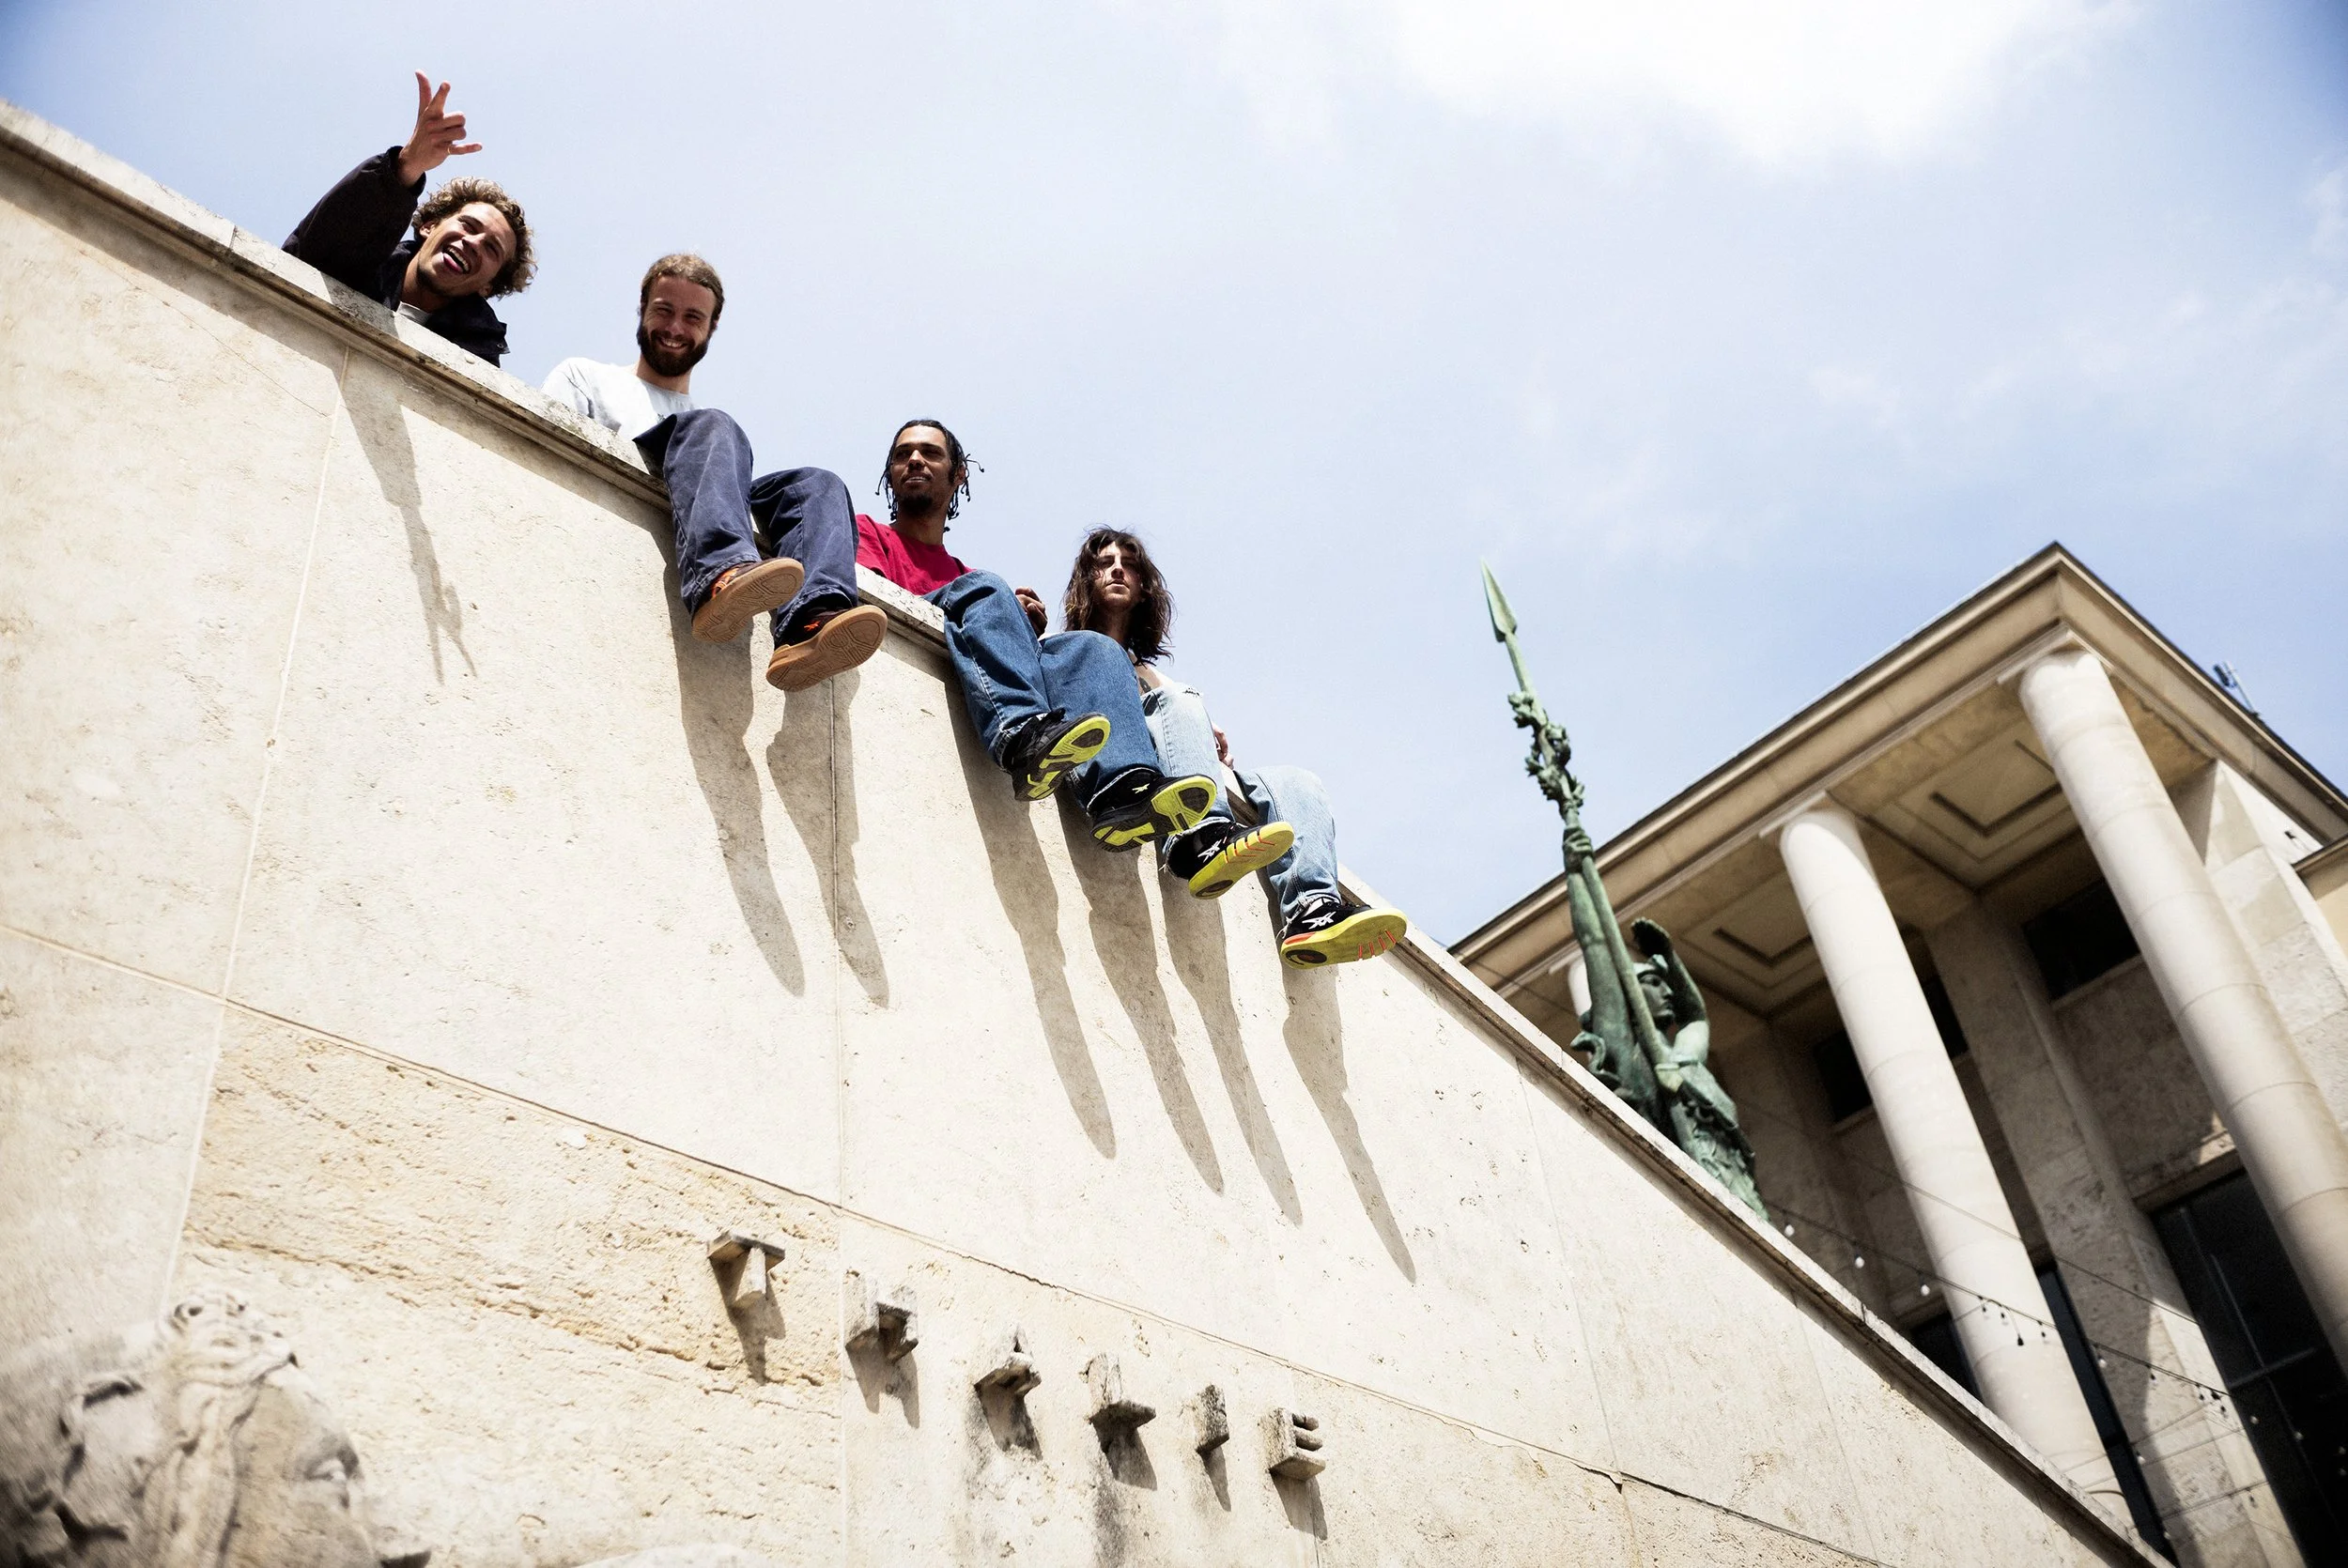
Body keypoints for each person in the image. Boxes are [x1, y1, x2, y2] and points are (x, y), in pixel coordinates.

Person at [857, 422, 1217, 850]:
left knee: (1093, 645)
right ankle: (1020, 737)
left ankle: (1122, 792)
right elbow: (872, 605)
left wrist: (1015, 625)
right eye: (903, 454)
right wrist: (996, 604)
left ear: (958, 476)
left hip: (981, 607)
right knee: (989, 587)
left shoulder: (966, 576)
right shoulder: (869, 533)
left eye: (930, 453)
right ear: (890, 473)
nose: (915, 460)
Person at [1062, 529, 1408, 968]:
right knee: (1179, 701)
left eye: (1128, 565)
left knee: (1298, 782)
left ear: (1144, 587)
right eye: (1104, 563)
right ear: (1086, 579)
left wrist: (1204, 737)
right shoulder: (1070, 650)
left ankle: (1312, 911)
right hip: (1131, 768)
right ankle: (1201, 839)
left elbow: (1182, 720)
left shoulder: (1157, 678)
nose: (1116, 570)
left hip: (1183, 770)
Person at [543, 255, 884, 685]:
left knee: (819, 484)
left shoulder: (712, 433)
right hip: (638, 497)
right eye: (663, 310)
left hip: (706, 477)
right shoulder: (586, 376)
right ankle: (719, 576)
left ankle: (811, 622)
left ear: (712, 326)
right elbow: (546, 455)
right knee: (714, 424)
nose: (675, 328)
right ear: (642, 309)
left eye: (692, 317)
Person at [284, 73, 533, 366]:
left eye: (491, 248)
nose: (473, 243)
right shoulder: (353, 265)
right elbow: (323, 243)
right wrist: (407, 166)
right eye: (468, 225)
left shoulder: (477, 360)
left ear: (486, 287)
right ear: (428, 226)